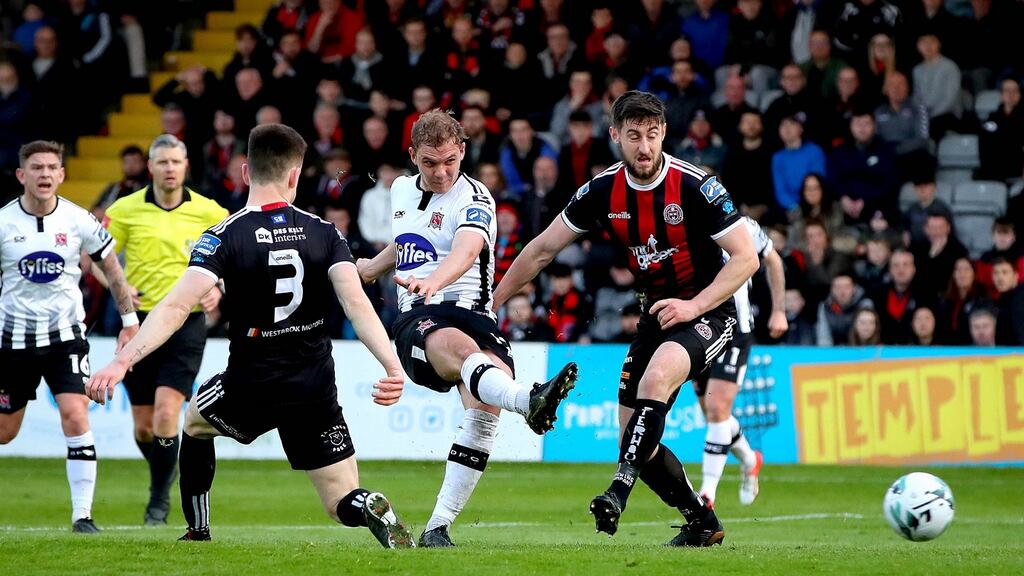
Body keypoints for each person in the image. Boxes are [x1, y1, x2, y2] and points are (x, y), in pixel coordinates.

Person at [87, 124, 415, 548]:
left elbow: (174, 306)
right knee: (339, 501)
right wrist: (391, 365)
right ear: (295, 175)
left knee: (195, 424)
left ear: (246, 172)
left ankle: (199, 530)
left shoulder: (224, 235)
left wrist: (122, 360)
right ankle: (367, 502)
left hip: (252, 381)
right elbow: (357, 305)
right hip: (314, 385)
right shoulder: (325, 232)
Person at [494, 91, 760, 546]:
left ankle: (618, 490)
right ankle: (701, 521)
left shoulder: (695, 186)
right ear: (616, 135)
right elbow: (540, 249)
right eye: (633, 135)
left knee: (655, 381)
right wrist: (491, 303)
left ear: (664, 135)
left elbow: (746, 258)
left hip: (708, 311)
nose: (644, 146)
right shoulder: (602, 191)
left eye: (652, 135)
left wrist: (694, 306)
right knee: (633, 436)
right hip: (654, 315)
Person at [355, 109, 578, 547]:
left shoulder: (476, 198)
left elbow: (466, 249)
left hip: (474, 313)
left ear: (463, 151)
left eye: (449, 162)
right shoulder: (400, 190)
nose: (441, 173)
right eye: (429, 163)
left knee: (483, 413)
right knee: (460, 351)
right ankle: (530, 400)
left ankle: (438, 528)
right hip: (419, 316)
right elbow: (405, 243)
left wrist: (434, 280)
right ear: (412, 156)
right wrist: (370, 268)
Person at [0, 141, 139, 533]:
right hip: (13, 343)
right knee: (5, 433)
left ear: (62, 175)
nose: (45, 174)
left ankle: (82, 516)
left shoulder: (79, 220)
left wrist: (129, 320)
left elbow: (112, 269)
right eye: (37, 168)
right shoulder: (3, 223)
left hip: (66, 339)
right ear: (21, 175)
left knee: (75, 414)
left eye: (51, 168)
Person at [101, 135, 229, 526]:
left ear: (185, 165)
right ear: (150, 167)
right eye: (163, 162)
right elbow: (98, 257)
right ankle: (164, 472)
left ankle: (158, 502)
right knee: (143, 425)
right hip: (137, 323)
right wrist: (117, 284)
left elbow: (231, 256)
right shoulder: (124, 209)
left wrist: (218, 287)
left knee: (165, 412)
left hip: (187, 321)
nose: (170, 168)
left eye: (176, 161)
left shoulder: (210, 211)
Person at [692, 217, 787, 509]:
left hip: (736, 330)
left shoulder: (744, 226)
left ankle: (707, 494)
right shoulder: (683, 225)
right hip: (697, 331)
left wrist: (779, 311)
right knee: (713, 416)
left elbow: (774, 261)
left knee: (719, 409)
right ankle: (750, 459)